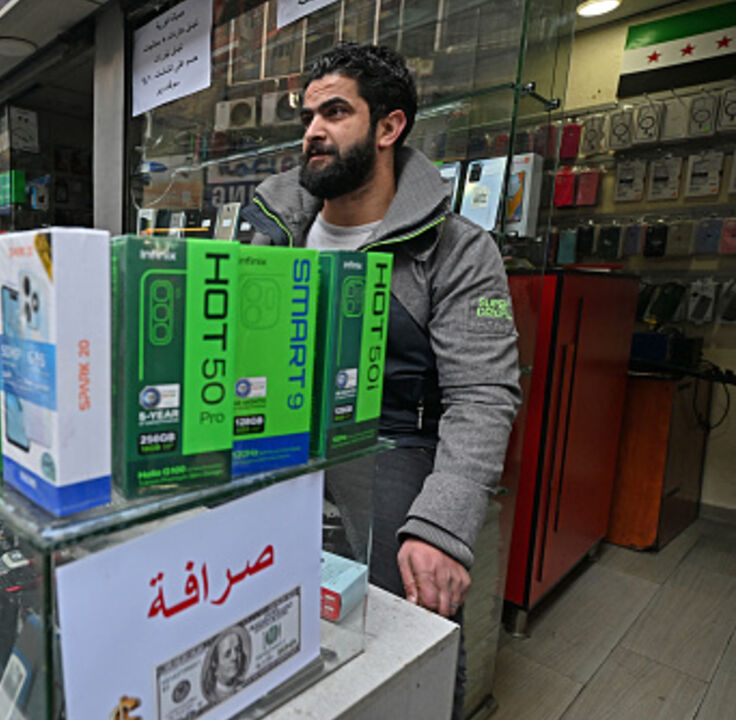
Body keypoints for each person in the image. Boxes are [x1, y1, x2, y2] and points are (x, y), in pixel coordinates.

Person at [241, 44, 522, 718]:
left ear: (389, 128)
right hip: (278, 440)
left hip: (392, 440)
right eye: (308, 115)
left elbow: (483, 392)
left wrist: (443, 526)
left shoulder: (457, 248)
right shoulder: (273, 229)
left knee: (412, 640)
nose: (313, 130)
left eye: (336, 111)